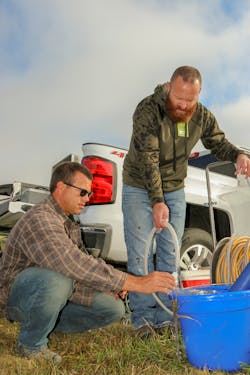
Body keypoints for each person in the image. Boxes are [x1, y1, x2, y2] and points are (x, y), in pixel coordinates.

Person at [0, 162, 176, 363]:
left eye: (89, 194)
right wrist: (137, 283)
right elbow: (72, 263)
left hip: (47, 293)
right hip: (17, 299)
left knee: (113, 308)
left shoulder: (67, 221)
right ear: (61, 187)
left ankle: (46, 324)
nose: (87, 199)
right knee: (59, 278)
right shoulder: (41, 219)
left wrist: (110, 286)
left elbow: (86, 263)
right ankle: (31, 344)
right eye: (82, 192)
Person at [122, 65, 250, 339]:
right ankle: (143, 322)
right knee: (140, 254)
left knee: (170, 254)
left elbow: (218, 143)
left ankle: (167, 318)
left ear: (198, 94)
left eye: (188, 101)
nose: (182, 106)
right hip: (139, 185)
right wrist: (157, 201)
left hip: (175, 188)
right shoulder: (148, 110)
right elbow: (149, 160)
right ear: (169, 87)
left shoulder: (201, 115)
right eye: (178, 99)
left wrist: (238, 155)